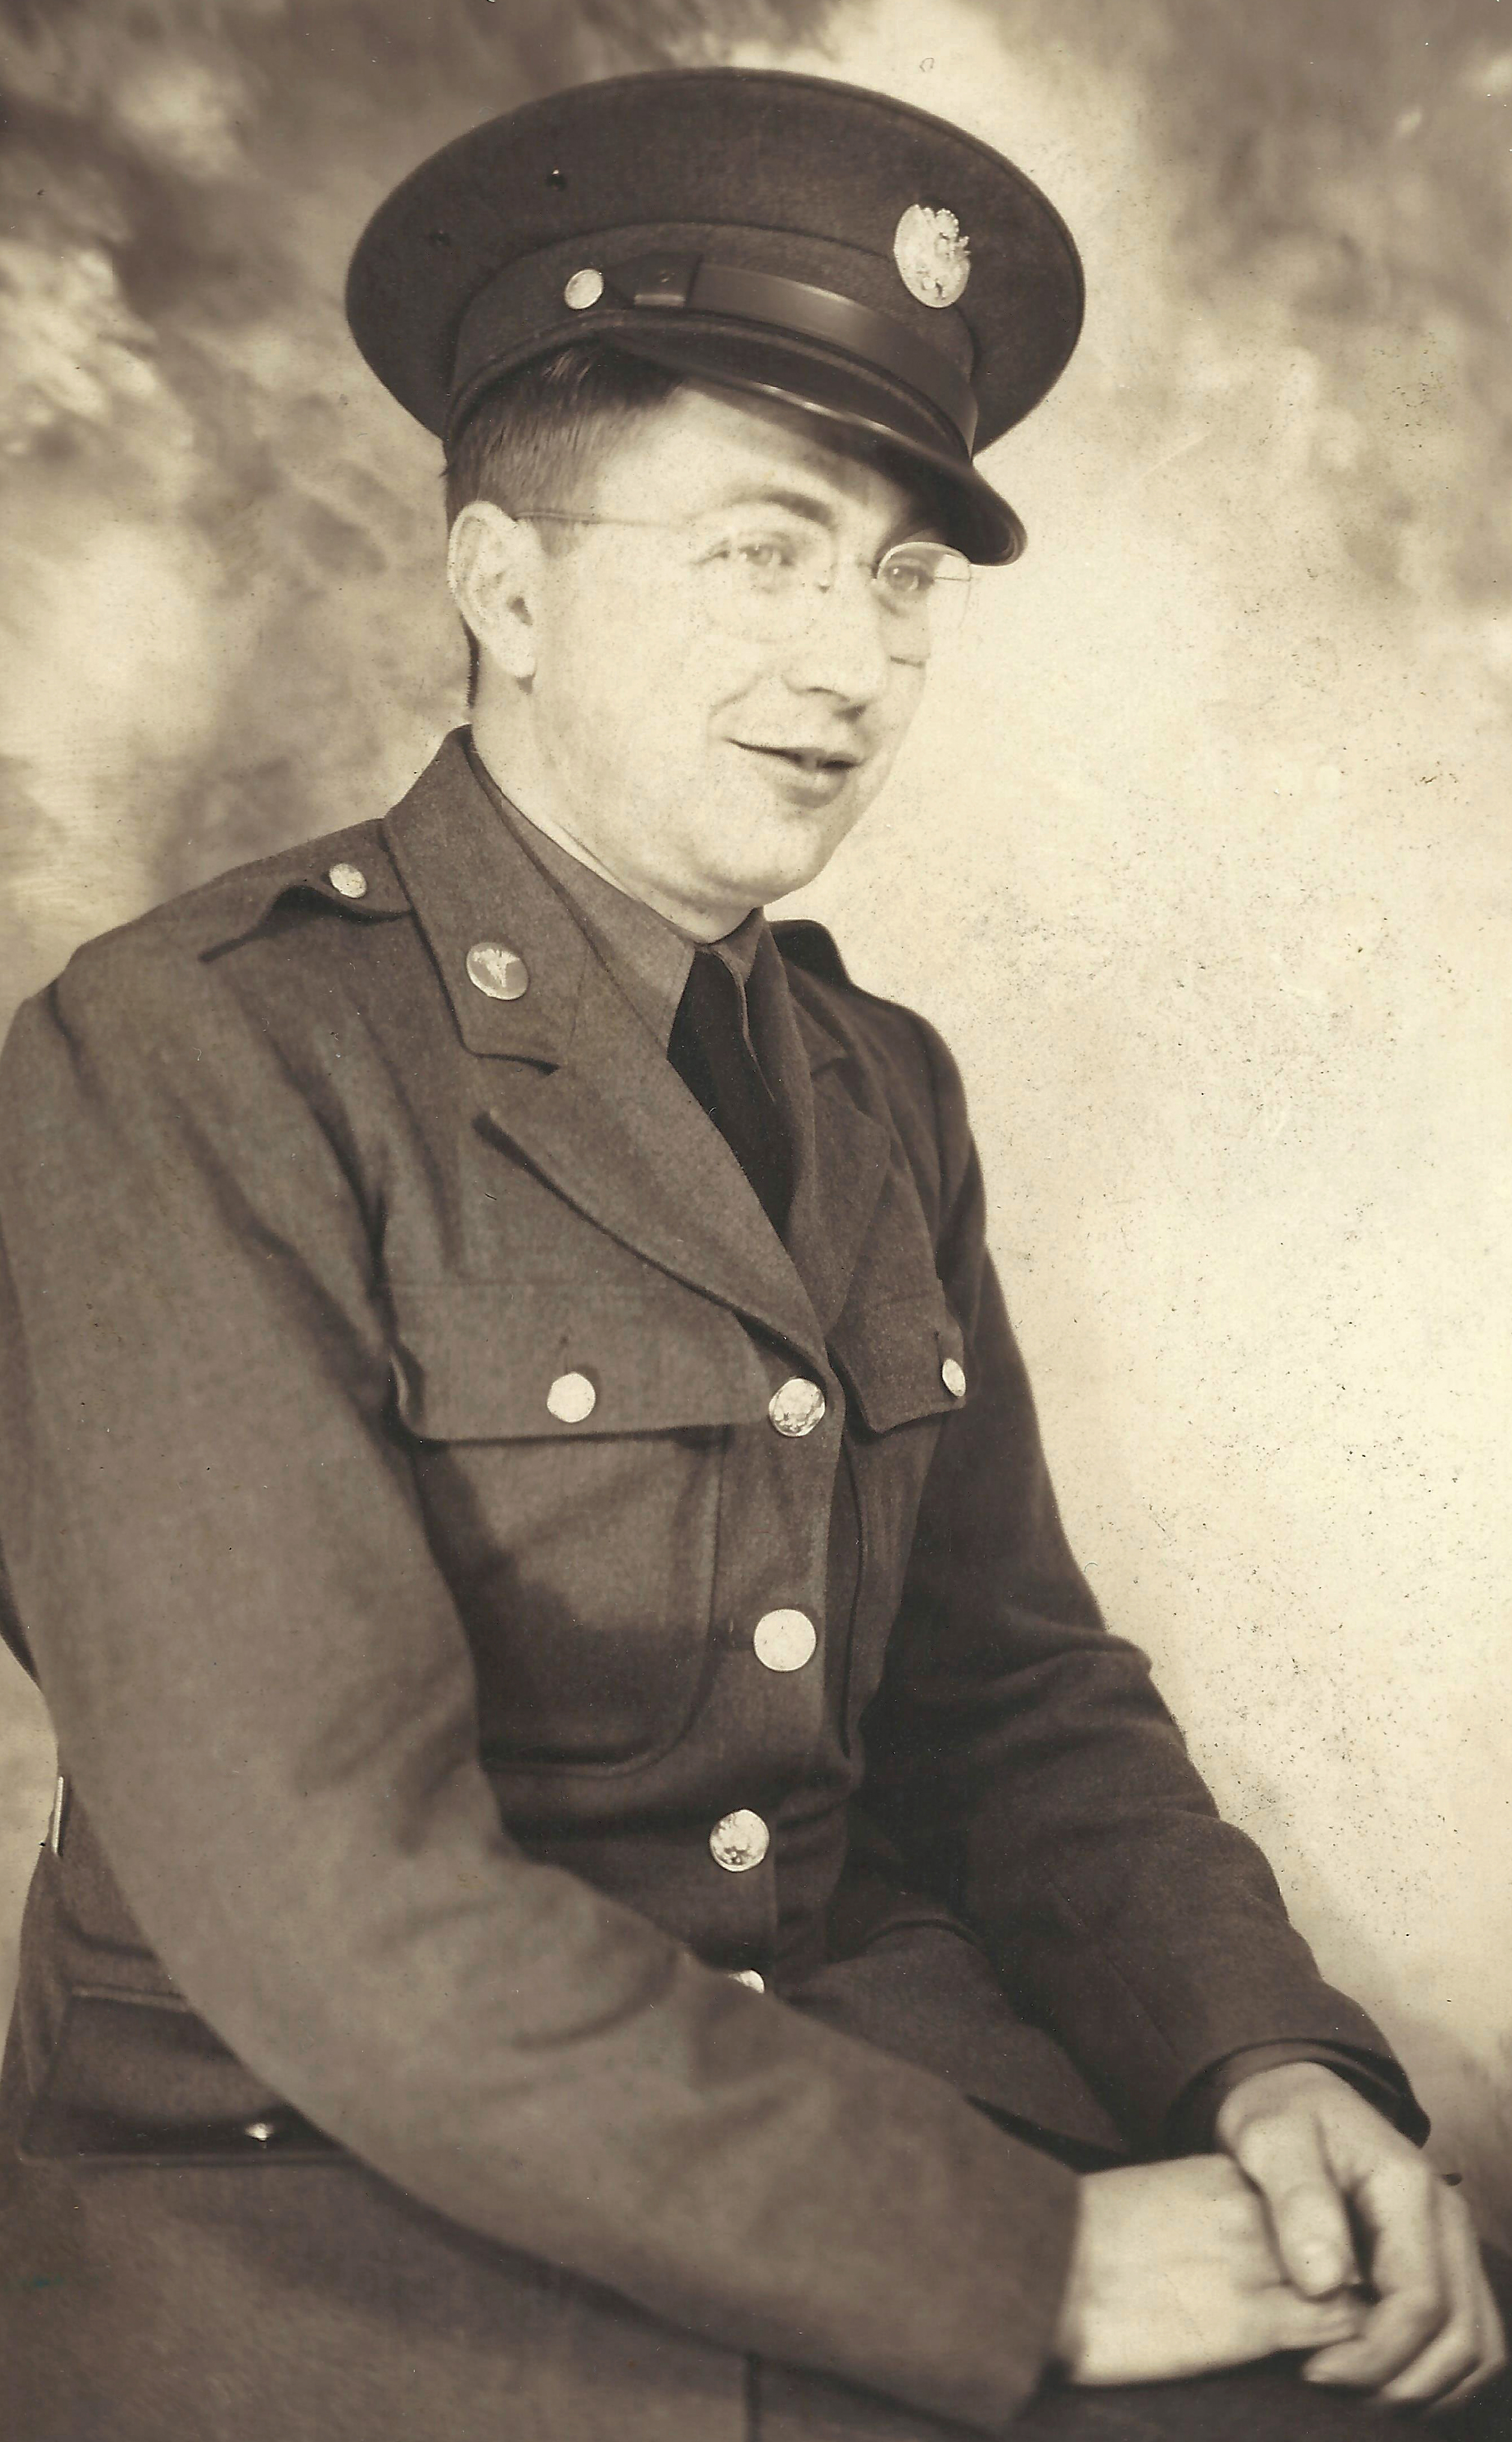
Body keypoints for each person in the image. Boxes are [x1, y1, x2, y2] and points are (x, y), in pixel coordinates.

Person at [0, 66, 1504, 2442]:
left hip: (831, 2081)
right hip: (335, 2213)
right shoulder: (181, 1055)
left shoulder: (873, 1083)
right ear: (503, 588)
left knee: (1403, 2364)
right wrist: (1023, 2261)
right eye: (764, 552)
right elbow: (318, 1896)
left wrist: (1259, 2060)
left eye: (901, 582)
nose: (852, 661)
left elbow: (1009, 1701)